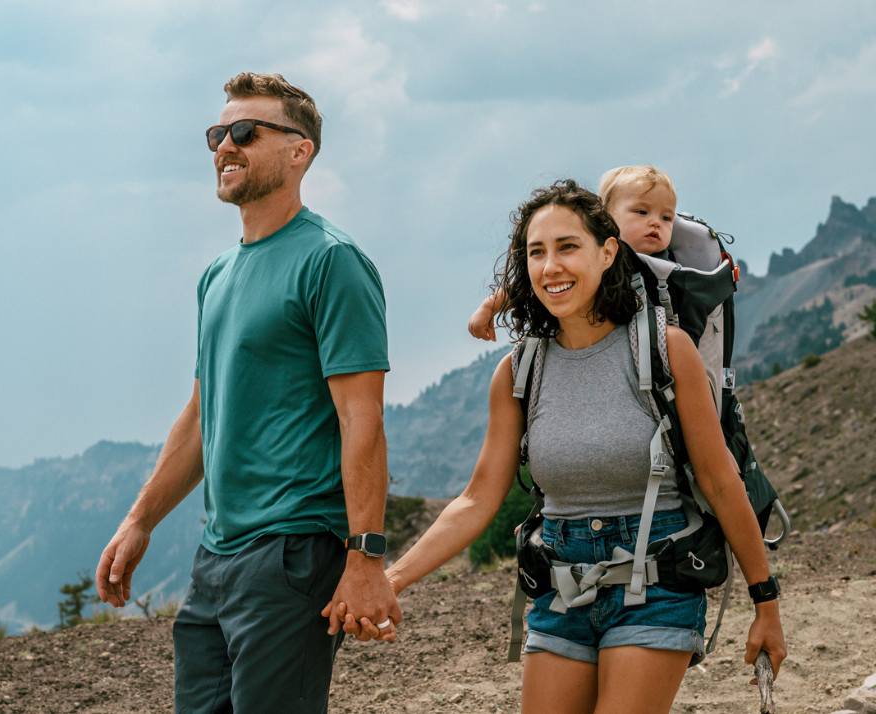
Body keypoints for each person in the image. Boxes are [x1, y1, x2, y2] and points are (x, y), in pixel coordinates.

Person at [369, 180, 785, 713]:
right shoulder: (519, 371)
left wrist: (765, 602)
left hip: (656, 583)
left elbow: (720, 480)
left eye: (567, 247)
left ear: (608, 252)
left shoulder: (665, 349)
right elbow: (476, 500)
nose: (550, 267)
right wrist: (392, 579)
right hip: (559, 584)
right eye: (536, 252)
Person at [94, 71, 398, 712]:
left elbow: (360, 418)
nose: (224, 146)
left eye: (244, 132)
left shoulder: (331, 261)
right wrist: (139, 519)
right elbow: (205, 414)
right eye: (217, 133)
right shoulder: (217, 275)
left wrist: (366, 557)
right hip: (217, 555)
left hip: (292, 550)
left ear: (299, 151)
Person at [468, 166, 678, 341]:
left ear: (608, 253)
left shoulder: (673, 269)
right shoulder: (598, 257)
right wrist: (489, 307)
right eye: (641, 212)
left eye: (666, 218)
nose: (655, 223)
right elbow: (520, 288)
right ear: (607, 216)